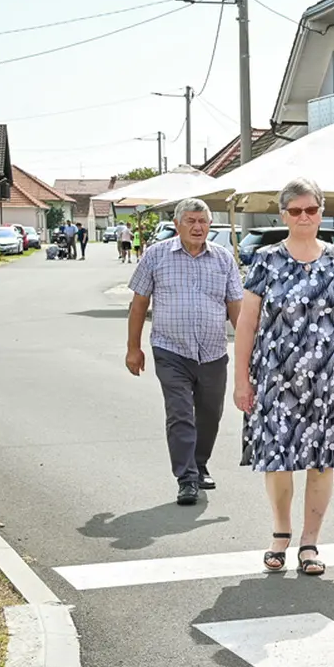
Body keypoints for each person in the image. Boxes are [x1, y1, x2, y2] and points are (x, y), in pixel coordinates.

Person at [234, 177, 334, 576]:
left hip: (329, 375)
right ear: (284, 215)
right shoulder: (267, 260)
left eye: (311, 209)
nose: (304, 217)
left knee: (322, 461)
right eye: (296, 211)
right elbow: (247, 322)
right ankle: (281, 532)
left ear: (321, 212)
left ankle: (310, 541)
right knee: (276, 457)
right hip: (275, 376)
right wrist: (242, 379)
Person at [126, 198, 244, 505]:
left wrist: (249, 351)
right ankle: (187, 478)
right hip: (170, 349)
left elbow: (236, 309)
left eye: (203, 221)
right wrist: (133, 348)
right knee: (180, 413)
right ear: (177, 224)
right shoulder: (156, 255)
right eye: (191, 221)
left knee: (210, 414)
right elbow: (139, 304)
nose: (197, 227)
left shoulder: (223, 259)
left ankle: (199, 464)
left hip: (213, 351)